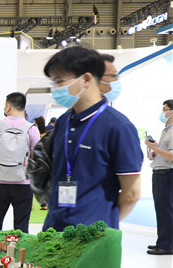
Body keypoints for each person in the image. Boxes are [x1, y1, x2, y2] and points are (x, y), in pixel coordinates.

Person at [42, 46, 142, 232]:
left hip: (93, 236)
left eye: (59, 81)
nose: (55, 88)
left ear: (86, 79)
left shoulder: (118, 127)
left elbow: (131, 194)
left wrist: (102, 226)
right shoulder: (63, 121)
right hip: (54, 229)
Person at [0, 92, 40, 234]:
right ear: (24, 108)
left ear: (8, 106)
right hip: (23, 183)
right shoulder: (32, 129)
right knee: (21, 226)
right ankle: (19, 248)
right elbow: (36, 158)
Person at [143, 99, 173, 255]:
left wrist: (156, 148)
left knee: (166, 211)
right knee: (162, 210)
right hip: (161, 173)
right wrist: (156, 151)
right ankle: (162, 242)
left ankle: (166, 245)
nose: (163, 113)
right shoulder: (166, 130)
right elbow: (166, 153)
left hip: (167, 174)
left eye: (165, 109)